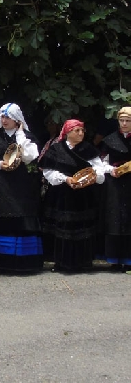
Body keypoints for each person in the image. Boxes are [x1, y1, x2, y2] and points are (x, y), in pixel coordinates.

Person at [39, 119, 105, 272]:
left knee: (83, 229)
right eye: (77, 130)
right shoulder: (56, 149)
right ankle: (61, 262)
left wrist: (90, 178)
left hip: (84, 194)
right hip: (61, 194)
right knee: (61, 228)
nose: (81, 133)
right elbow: (48, 170)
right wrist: (65, 179)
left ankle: (83, 262)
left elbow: (99, 169)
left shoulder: (89, 149)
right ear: (68, 132)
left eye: (82, 131)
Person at [0, 103, 43, 272]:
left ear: (17, 119)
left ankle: (24, 262)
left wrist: (20, 135)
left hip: (22, 184)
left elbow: (30, 156)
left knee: (21, 216)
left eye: (8, 117)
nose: (4, 120)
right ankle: (2, 262)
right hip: (0, 183)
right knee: (2, 216)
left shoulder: (26, 136)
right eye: (2, 117)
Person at [97, 106, 131, 271]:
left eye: (128, 121)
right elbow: (102, 161)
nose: (124, 123)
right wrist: (112, 170)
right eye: (121, 120)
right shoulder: (110, 140)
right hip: (115, 183)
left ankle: (128, 259)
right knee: (114, 219)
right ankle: (114, 259)